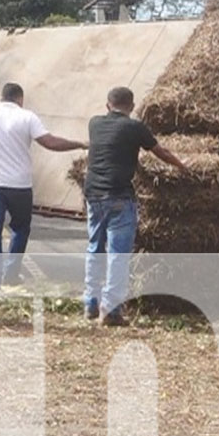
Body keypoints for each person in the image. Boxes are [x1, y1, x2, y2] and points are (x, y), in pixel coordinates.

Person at [83, 86, 188, 326]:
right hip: (119, 195)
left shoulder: (94, 123)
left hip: (93, 195)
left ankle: (90, 302)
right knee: (118, 254)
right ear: (131, 107)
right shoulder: (134, 127)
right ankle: (111, 310)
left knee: (94, 248)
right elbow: (160, 152)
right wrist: (183, 167)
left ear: (107, 105)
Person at [0, 82, 87, 292]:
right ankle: (11, 274)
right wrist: (79, 144)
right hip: (20, 185)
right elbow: (50, 142)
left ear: (1, 97)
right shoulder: (26, 117)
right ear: (20, 99)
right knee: (20, 228)